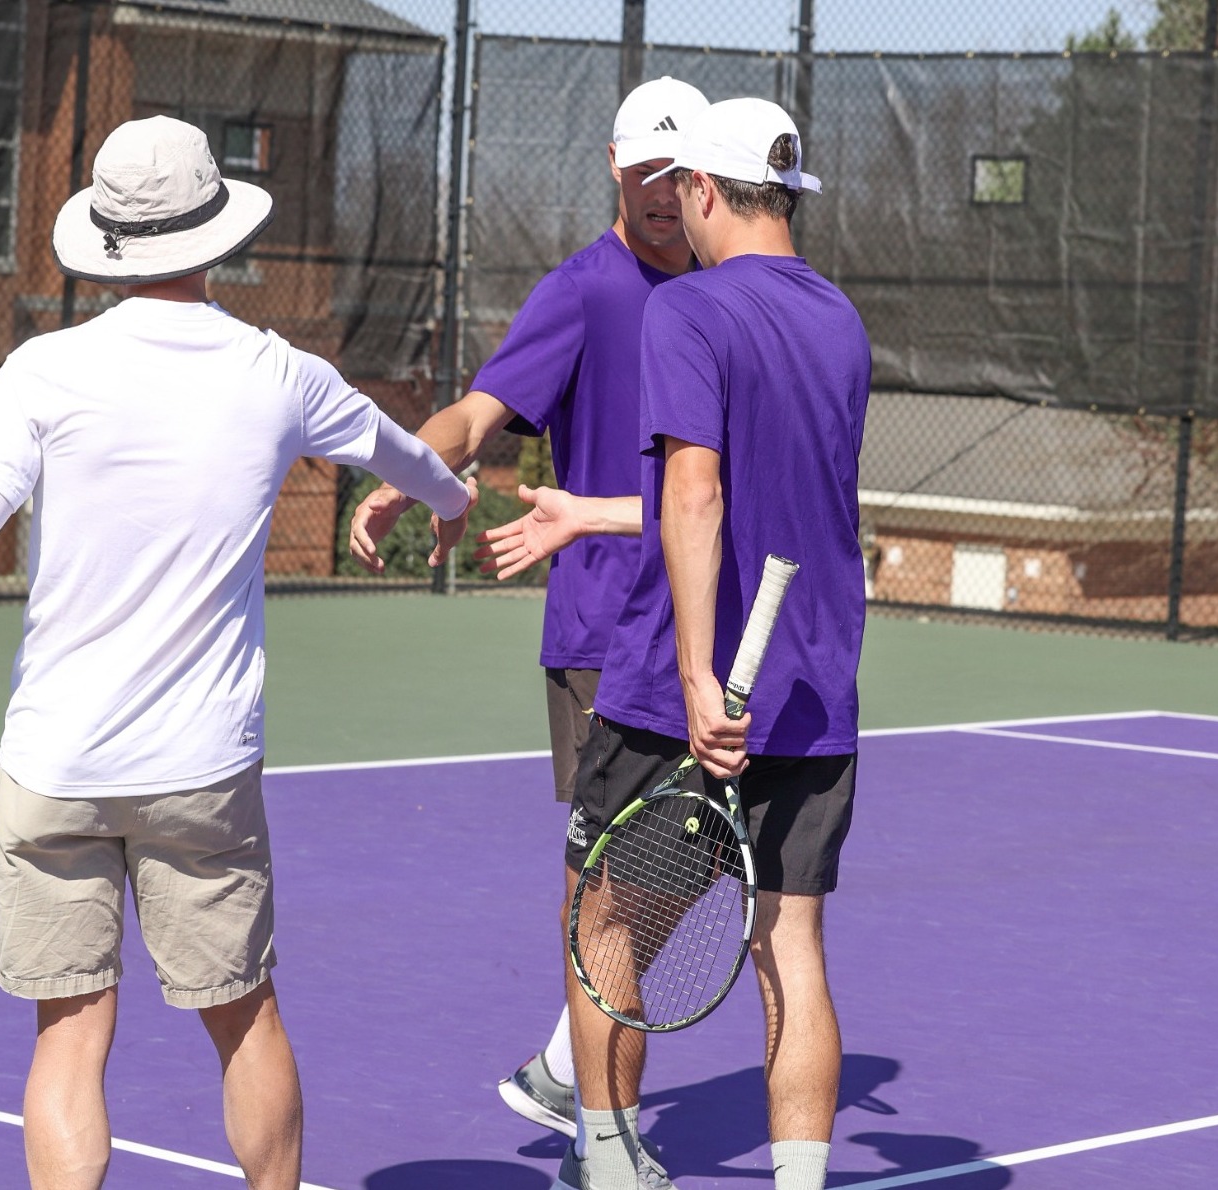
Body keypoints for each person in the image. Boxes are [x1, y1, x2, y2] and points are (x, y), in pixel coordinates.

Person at [0, 116, 474, 1190]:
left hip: (54, 767)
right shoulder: (281, 372)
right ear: (214, 230)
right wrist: (447, 504)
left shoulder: (42, 371)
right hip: (203, 772)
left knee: (68, 1035)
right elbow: (409, 457)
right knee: (245, 1018)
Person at [482, 98, 868, 1190]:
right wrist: (595, 513)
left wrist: (697, 676)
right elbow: (774, 496)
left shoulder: (685, 314)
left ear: (702, 189)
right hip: (815, 688)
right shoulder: (840, 318)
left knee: (601, 926)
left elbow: (695, 494)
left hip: (670, 695)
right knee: (788, 943)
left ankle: (608, 1164)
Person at [346, 76, 708, 1178]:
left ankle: (565, 1064)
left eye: (674, 171)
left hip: (698, 621)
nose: (658, 192)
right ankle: (609, 1143)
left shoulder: (720, 287)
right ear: (613, 165)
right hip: (605, 632)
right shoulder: (585, 291)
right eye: (642, 170)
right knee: (620, 891)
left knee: (671, 876)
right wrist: (412, 470)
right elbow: (482, 408)